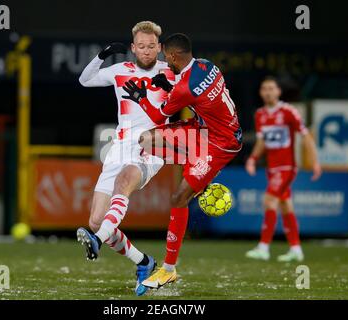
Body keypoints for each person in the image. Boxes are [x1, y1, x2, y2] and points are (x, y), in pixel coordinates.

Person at [121, 33, 242, 289]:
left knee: (178, 198)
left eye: (167, 56)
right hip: (204, 131)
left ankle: (168, 269)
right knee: (147, 141)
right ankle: (199, 173)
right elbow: (193, 90)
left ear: (174, 55)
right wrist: (167, 84)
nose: (166, 60)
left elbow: (156, 115)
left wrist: (141, 97)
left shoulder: (185, 87)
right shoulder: (207, 65)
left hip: (220, 143)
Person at [76, 21, 175, 296]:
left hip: (152, 145)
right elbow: (84, 80)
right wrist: (102, 55)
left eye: (151, 46)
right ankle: (144, 263)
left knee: (124, 182)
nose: (146, 51)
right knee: (96, 219)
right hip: (119, 146)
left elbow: (197, 94)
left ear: (160, 48)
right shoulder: (120, 71)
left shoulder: (171, 72)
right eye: (141, 46)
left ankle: (96, 241)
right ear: (133, 48)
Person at [245, 77, 322, 262]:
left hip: (287, 167)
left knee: (269, 200)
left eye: (272, 88)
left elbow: (306, 137)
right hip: (272, 168)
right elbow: (262, 141)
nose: (268, 92)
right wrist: (252, 159)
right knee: (286, 206)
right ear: (261, 93)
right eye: (264, 89)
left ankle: (263, 247)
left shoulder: (289, 112)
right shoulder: (260, 114)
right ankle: (296, 249)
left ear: (279, 92)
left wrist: (315, 162)